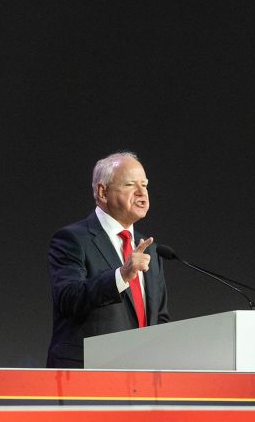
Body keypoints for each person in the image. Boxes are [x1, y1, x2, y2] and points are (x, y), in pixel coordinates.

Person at [46, 151, 169, 368]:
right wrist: (121, 276)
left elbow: (160, 318)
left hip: (141, 377)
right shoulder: (72, 239)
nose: (142, 193)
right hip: (86, 373)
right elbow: (68, 298)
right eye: (131, 185)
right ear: (102, 192)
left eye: (145, 184)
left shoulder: (149, 248)